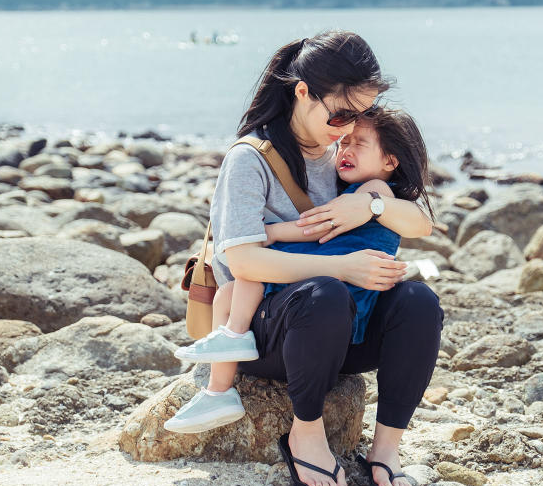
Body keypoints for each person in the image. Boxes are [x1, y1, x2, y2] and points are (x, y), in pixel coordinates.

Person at [164, 31, 443, 486]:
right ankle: (305, 433)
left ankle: (385, 448)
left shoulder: (341, 157)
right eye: (340, 114)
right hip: (267, 335)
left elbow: (419, 224)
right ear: (301, 92)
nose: (346, 129)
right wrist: (345, 268)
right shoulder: (250, 161)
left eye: (358, 116)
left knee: (419, 300)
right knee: (325, 293)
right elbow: (243, 258)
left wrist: (370, 208)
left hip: (338, 334)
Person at [168, 106, 430, 433]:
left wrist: (273, 231)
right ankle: (220, 385)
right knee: (231, 292)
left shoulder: (370, 193)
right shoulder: (357, 189)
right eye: (343, 143)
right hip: (332, 287)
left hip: (338, 295)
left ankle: (224, 370)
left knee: (248, 277)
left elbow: (318, 226)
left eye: (358, 144)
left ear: (390, 161)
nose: (344, 150)